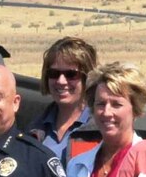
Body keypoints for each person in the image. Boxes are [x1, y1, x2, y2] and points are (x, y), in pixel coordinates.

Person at [26, 36, 98, 165]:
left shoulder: (102, 129)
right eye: (54, 73)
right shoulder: (34, 130)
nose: (61, 81)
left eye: (71, 74)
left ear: (87, 77)